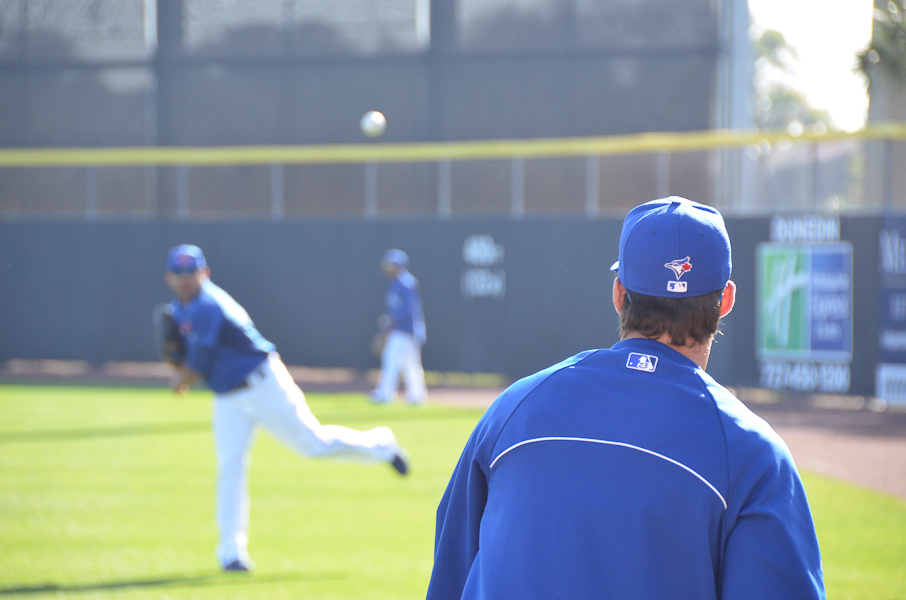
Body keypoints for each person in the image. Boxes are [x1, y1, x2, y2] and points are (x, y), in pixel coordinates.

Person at [426, 197, 826, 600]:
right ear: (725, 301)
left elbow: (450, 576)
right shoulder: (752, 454)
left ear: (619, 294)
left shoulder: (513, 410)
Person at [162, 244, 410, 573]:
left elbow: (197, 365)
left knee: (313, 445)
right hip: (228, 397)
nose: (185, 280)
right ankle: (230, 554)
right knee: (230, 469)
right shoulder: (181, 309)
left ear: (204, 273)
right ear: (169, 278)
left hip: (263, 383)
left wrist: (179, 377)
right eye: (179, 274)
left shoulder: (208, 304)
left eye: (191, 273)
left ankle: (381, 446)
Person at [370, 249, 427, 405]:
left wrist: (392, 321)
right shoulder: (395, 283)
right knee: (410, 364)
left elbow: (409, 310)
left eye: (392, 264)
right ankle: (417, 396)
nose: (389, 268)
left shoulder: (406, 283)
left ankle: (385, 394)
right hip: (402, 329)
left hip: (405, 329)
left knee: (392, 359)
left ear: (400, 265)